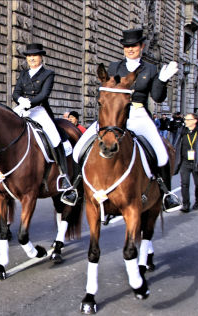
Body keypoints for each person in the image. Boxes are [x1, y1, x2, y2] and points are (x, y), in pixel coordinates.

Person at [73, 28, 181, 212]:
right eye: (127, 46)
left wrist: (161, 80)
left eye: (134, 46)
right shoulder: (115, 67)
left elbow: (157, 97)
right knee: (78, 150)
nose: (130, 49)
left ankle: (166, 194)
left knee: (161, 155)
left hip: (138, 114)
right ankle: (76, 189)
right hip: (114, 115)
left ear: (142, 46)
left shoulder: (150, 68)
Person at [11, 43, 77, 205]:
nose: (31, 59)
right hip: (22, 108)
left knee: (55, 139)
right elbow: (16, 92)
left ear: (41, 57)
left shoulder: (48, 73)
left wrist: (29, 103)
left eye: (35, 56)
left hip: (39, 111)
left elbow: (43, 95)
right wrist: (20, 101)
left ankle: (64, 178)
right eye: (29, 56)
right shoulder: (24, 74)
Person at [173, 113, 198, 212]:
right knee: (184, 184)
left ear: (195, 121)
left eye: (188, 119)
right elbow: (176, 144)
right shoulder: (182, 131)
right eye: (185, 119)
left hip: (197, 161)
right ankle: (185, 204)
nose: (185, 121)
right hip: (184, 162)